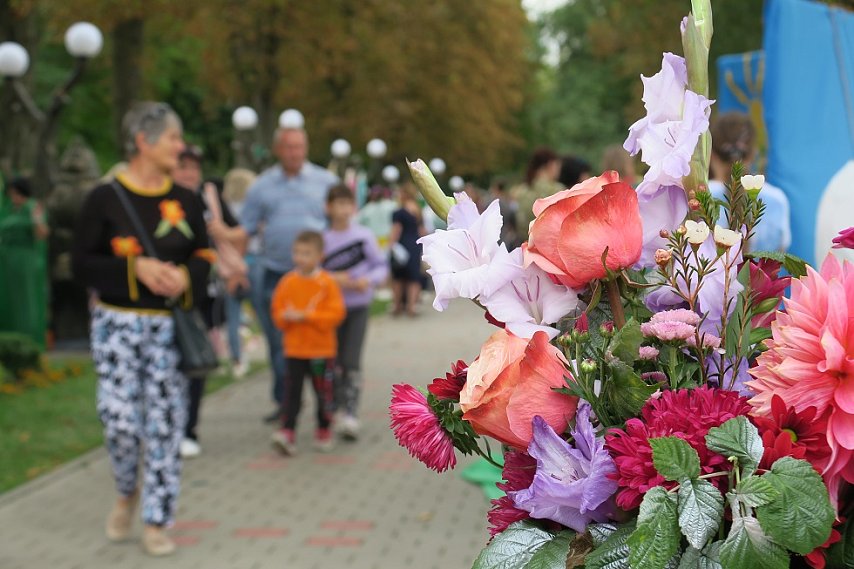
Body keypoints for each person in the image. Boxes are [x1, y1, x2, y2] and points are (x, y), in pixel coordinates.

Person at [71, 102, 214, 556]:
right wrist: (137, 270)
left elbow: (204, 255)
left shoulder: (187, 199)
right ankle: (125, 489)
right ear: (143, 142)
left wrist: (184, 276)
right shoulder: (105, 197)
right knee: (119, 422)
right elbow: (80, 264)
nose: (180, 146)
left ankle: (156, 519)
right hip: (116, 328)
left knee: (165, 426)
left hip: (168, 330)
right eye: (173, 138)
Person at [241, 127, 339, 423]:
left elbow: (340, 224)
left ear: (306, 147)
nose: (294, 153)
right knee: (278, 342)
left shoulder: (325, 182)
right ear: (277, 150)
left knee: (320, 340)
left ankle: (326, 402)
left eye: (299, 147)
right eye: (288, 147)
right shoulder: (261, 186)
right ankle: (285, 402)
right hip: (276, 273)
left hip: (317, 279)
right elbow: (245, 228)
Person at [171, 145, 247, 459]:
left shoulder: (208, 197)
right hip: (166, 296)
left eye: (194, 167)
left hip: (203, 294)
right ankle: (170, 426)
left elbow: (240, 235)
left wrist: (222, 232)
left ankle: (188, 428)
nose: (189, 173)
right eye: (183, 166)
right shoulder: (162, 199)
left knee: (196, 361)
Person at [269, 230, 345, 455]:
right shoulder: (287, 282)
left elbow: (336, 314)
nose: (300, 258)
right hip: (295, 350)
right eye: (297, 253)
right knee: (292, 392)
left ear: (320, 256)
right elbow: (277, 312)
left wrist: (306, 317)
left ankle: (324, 428)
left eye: (306, 253)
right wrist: (286, 317)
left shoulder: (327, 283)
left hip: (322, 351)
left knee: (323, 392)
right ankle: (287, 431)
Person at [322, 185, 389, 439]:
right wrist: (333, 279)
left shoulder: (363, 236)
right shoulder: (324, 239)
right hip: (331, 312)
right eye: (336, 204)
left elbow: (381, 267)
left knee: (351, 362)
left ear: (353, 207)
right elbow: (314, 273)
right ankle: (334, 409)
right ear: (328, 207)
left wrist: (367, 281)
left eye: (346, 204)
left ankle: (350, 413)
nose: (341, 210)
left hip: (358, 308)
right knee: (334, 362)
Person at [709, 112, 791, 253]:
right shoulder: (777, 199)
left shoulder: (697, 196)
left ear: (710, 154)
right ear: (753, 153)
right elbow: (778, 258)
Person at [0, 177, 50, 347]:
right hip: (6, 262)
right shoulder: (8, 208)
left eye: (16, 193)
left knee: (26, 302)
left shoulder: (32, 207)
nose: (13, 196)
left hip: (25, 262)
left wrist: (36, 220)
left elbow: (42, 234)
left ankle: (30, 340)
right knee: (7, 301)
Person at [222, 168, 258, 378]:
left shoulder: (225, 208)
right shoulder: (249, 209)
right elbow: (242, 240)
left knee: (232, 318)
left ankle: (237, 358)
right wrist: (241, 268)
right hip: (249, 264)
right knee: (263, 313)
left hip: (228, 266)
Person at [513, 147, 564, 240]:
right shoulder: (556, 190)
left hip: (524, 244)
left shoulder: (521, 190)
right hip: (546, 244)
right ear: (550, 164)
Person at [389, 189, 425, 317]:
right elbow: (422, 230)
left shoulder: (399, 212)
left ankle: (397, 305)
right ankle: (412, 306)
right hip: (415, 245)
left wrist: (390, 245)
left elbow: (396, 229)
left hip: (402, 245)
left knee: (398, 277)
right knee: (413, 277)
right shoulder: (418, 211)